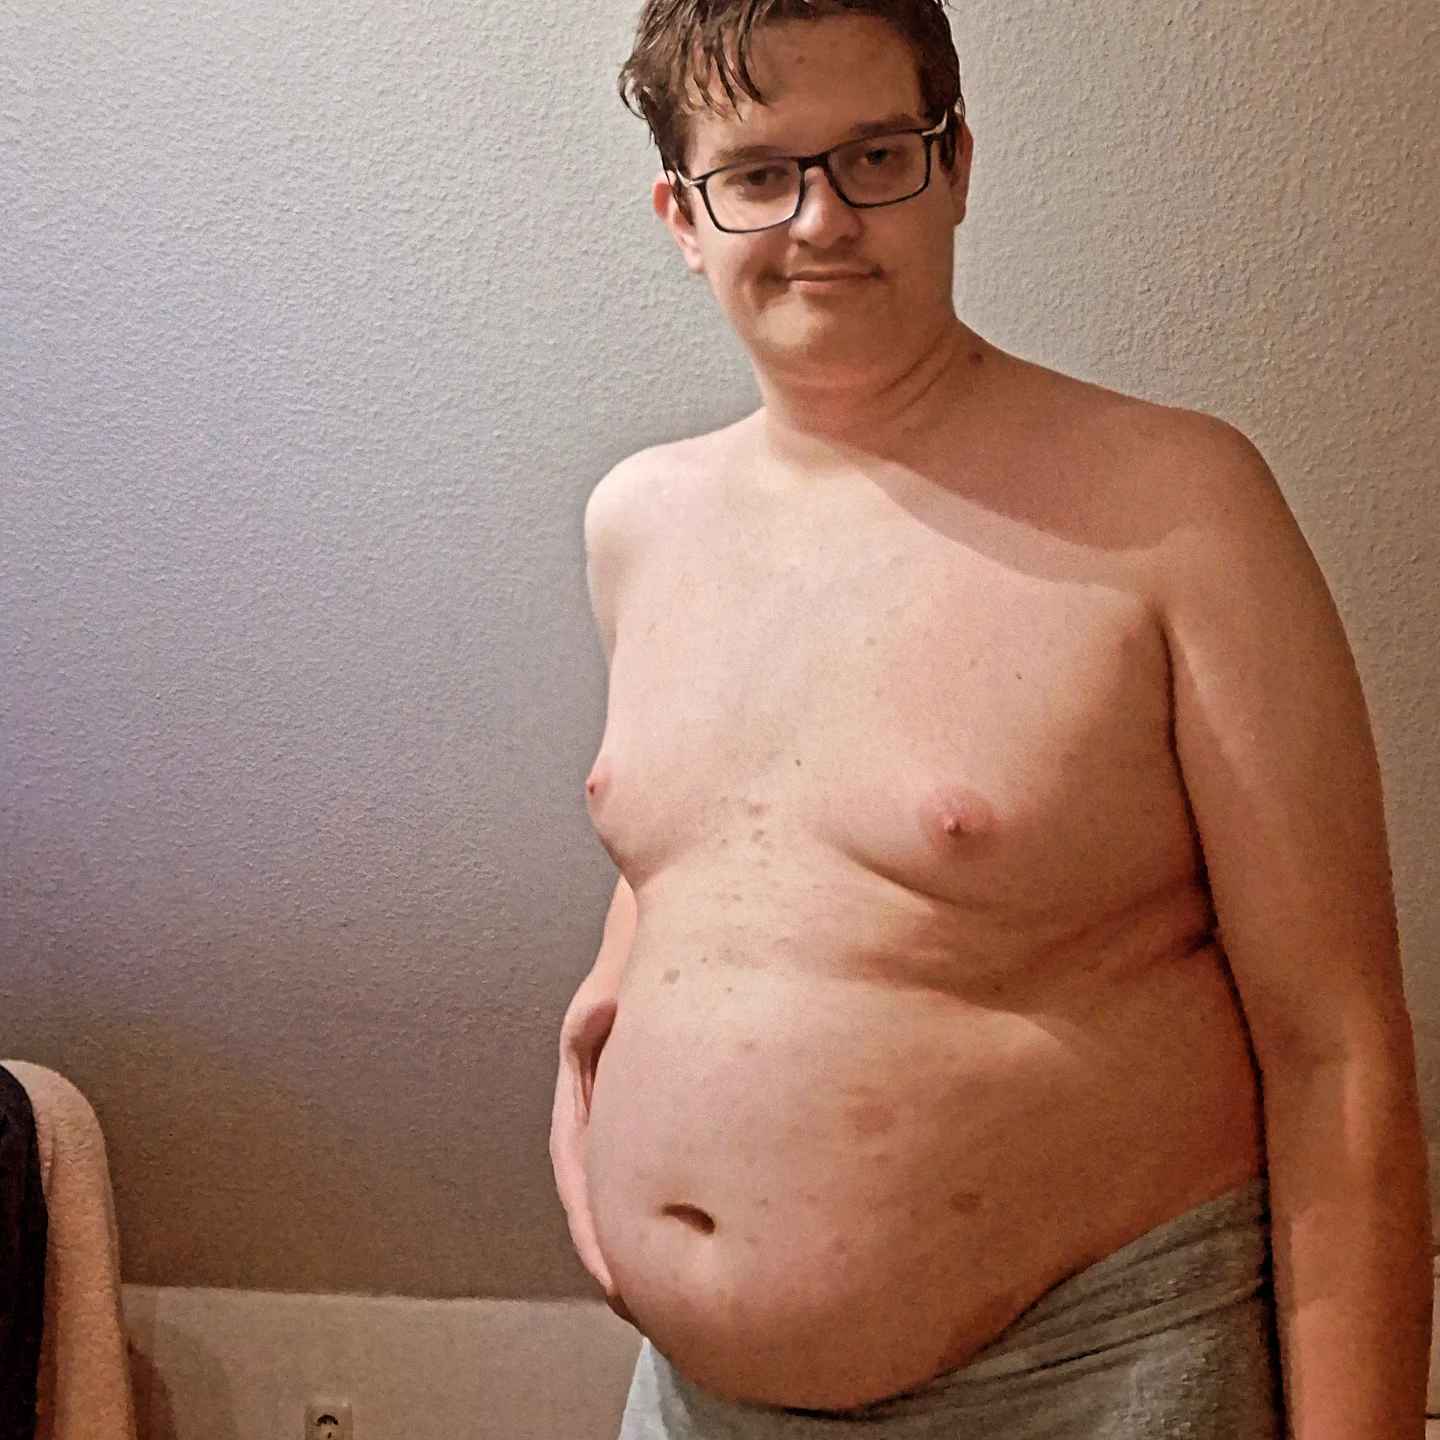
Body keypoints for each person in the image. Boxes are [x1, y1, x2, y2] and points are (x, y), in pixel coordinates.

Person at [548, 3, 1432, 1436]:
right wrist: (603, 1018)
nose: (821, 219)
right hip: (694, 1403)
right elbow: (716, 840)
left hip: (1084, 1377)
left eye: (874, 155)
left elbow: (1339, 1051)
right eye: (759, 173)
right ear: (682, 217)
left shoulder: (1179, 507)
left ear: (954, 163)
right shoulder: (636, 521)